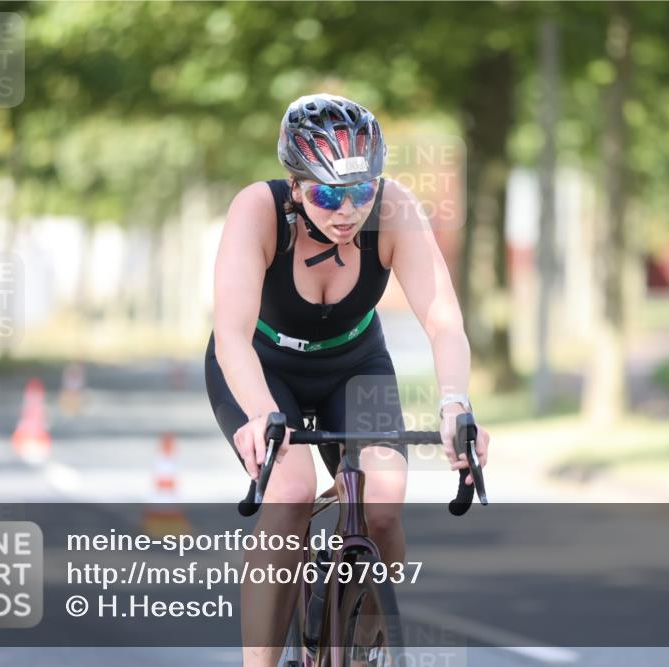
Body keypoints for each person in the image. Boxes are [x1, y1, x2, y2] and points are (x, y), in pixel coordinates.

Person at [204, 93, 490, 666]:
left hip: (353, 364)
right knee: (289, 491)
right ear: (295, 184)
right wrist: (262, 418)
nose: (346, 210)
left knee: (384, 501)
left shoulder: (394, 211)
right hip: (263, 365)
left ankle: (360, 650)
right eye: (327, 194)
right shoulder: (256, 210)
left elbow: (444, 321)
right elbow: (231, 333)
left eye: (360, 191)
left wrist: (456, 405)